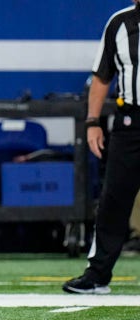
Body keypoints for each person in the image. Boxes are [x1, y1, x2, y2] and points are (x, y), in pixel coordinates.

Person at [63, 0, 140, 294]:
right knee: (113, 200)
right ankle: (97, 275)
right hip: (131, 121)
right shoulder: (119, 23)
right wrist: (92, 121)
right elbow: (102, 76)